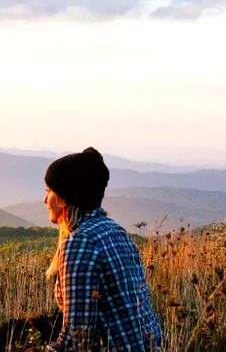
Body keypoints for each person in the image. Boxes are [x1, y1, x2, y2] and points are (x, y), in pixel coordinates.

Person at [43, 147, 162, 351]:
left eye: (48, 192)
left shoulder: (81, 242)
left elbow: (77, 338)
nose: (45, 200)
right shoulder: (115, 231)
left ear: (63, 198)